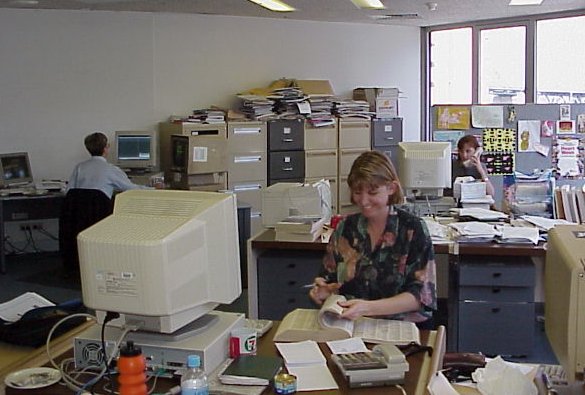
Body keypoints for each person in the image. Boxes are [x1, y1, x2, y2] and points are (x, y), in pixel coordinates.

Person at [308, 150, 437, 329]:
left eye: (372, 192)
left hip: (401, 327)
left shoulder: (412, 228)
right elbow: (328, 278)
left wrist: (367, 308)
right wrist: (323, 290)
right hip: (350, 326)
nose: (363, 200)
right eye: (357, 192)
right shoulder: (345, 228)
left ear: (391, 188)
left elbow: (419, 297)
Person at [66, 132, 152, 198]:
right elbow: (132, 189)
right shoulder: (112, 169)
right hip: (102, 216)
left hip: (80, 216)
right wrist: (153, 189)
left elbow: (68, 191)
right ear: (105, 148)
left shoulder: (79, 167)